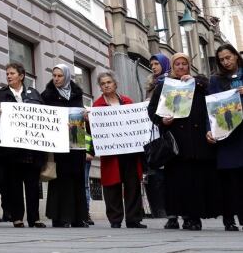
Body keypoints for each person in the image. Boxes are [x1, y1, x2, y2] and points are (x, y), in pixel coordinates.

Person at [147, 53, 218, 231]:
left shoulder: (198, 83)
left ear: (189, 66)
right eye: (177, 64)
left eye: (184, 64)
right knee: (173, 181)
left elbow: (211, 100)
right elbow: (152, 110)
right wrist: (162, 121)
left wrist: (195, 81)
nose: (180, 67)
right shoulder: (164, 85)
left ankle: (192, 217)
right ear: (172, 67)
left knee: (193, 181)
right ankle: (172, 216)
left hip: (195, 142)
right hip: (174, 143)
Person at [0, 62, 46, 228]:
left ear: (21, 76)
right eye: (7, 73)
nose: (8, 76)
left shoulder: (34, 94)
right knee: (14, 184)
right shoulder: (1, 94)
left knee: (32, 184)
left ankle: (34, 218)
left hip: (31, 148)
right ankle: (17, 218)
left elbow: (43, 117)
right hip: (10, 149)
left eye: (12, 73)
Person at [91, 72, 145, 228]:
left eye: (109, 82)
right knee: (111, 186)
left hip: (130, 151)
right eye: (103, 83)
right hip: (110, 153)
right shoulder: (97, 106)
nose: (107, 85)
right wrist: (89, 120)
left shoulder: (128, 102)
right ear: (100, 87)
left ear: (115, 84)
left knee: (132, 185)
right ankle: (115, 220)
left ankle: (133, 219)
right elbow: (94, 130)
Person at [43, 64, 87, 227]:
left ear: (67, 77)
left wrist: (85, 115)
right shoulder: (47, 95)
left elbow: (81, 114)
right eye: (54, 75)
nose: (56, 79)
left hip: (76, 144)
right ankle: (60, 217)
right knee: (61, 180)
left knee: (77, 178)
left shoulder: (76, 94)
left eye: (59, 76)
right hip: (58, 145)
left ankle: (78, 217)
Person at [207, 44, 243, 231]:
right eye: (222, 59)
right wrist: (208, 130)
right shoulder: (216, 80)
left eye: (228, 57)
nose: (226, 62)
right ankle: (229, 219)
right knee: (229, 180)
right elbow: (210, 107)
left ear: (236, 56)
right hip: (226, 135)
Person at [143, 53, 170, 219]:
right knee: (157, 170)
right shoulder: (151, 85)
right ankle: (161, 208)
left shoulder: (172, 82)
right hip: (154, 133)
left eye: (156, 64)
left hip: (168, 130)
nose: (153, 67)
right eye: (151, 64)